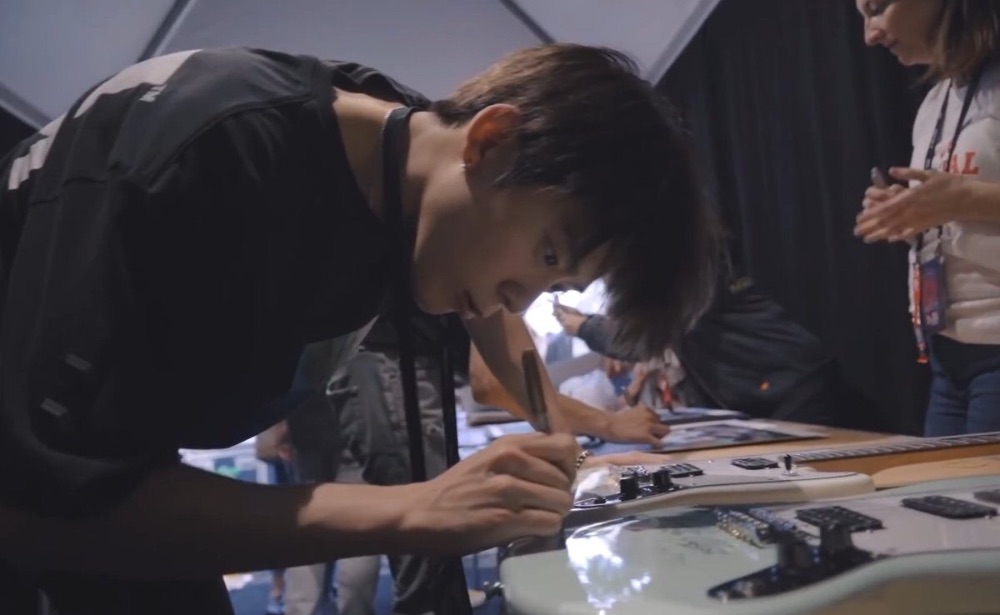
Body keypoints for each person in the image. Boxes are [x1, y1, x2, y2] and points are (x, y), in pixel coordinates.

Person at [0, 43, 719, 614]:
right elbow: (44, 505)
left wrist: (562, 442)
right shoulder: (217, 151)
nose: (520, 297)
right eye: (549, 255)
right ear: (492, 141)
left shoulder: (409, 156)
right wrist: (411, 507)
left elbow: (497, 318)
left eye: (555, 287)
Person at [854, 0, 1000, 436]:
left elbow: (966, 200)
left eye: (877, 8)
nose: (870, 34)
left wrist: (965, 199)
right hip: (947, 357)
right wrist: (913, 213)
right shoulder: (937, 101)